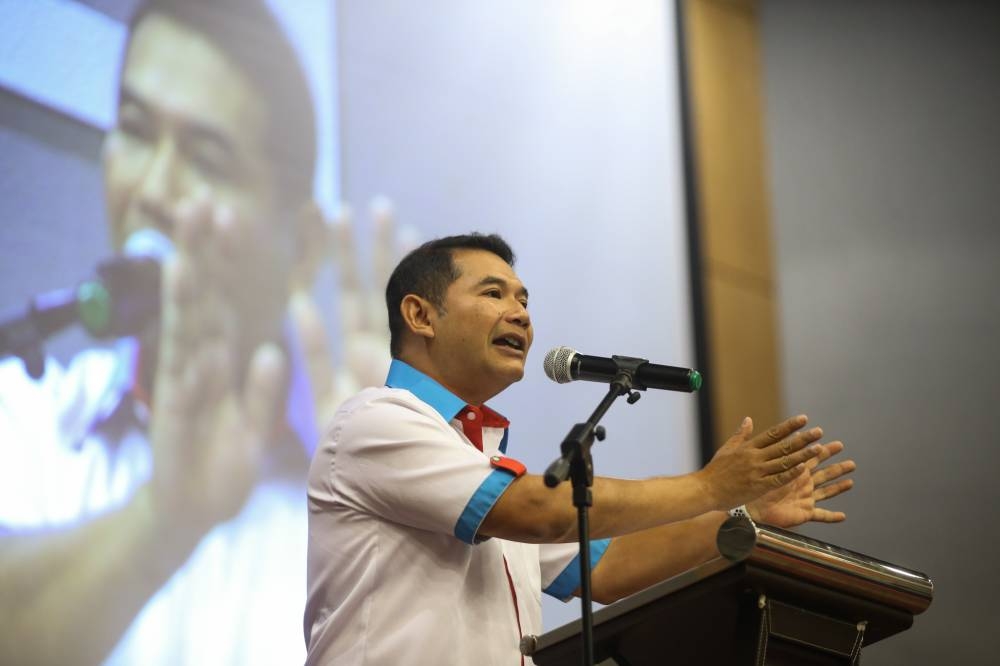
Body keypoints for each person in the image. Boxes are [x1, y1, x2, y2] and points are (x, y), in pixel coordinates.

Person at [0, 1, 393, 663]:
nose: (153, 187)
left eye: (206, 160)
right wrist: (161, 520)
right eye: (134, 129)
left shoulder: (355, 495)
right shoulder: (20, 421)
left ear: (298, 248)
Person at [304, 233, 856, 664]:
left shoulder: (479, 460)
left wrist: (744, 516)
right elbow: (541, 512)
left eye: (524, 299)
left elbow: (609, 568)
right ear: (420, 315)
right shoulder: (375, 421)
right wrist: (709, 485)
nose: (520, 313)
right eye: (493, 293)